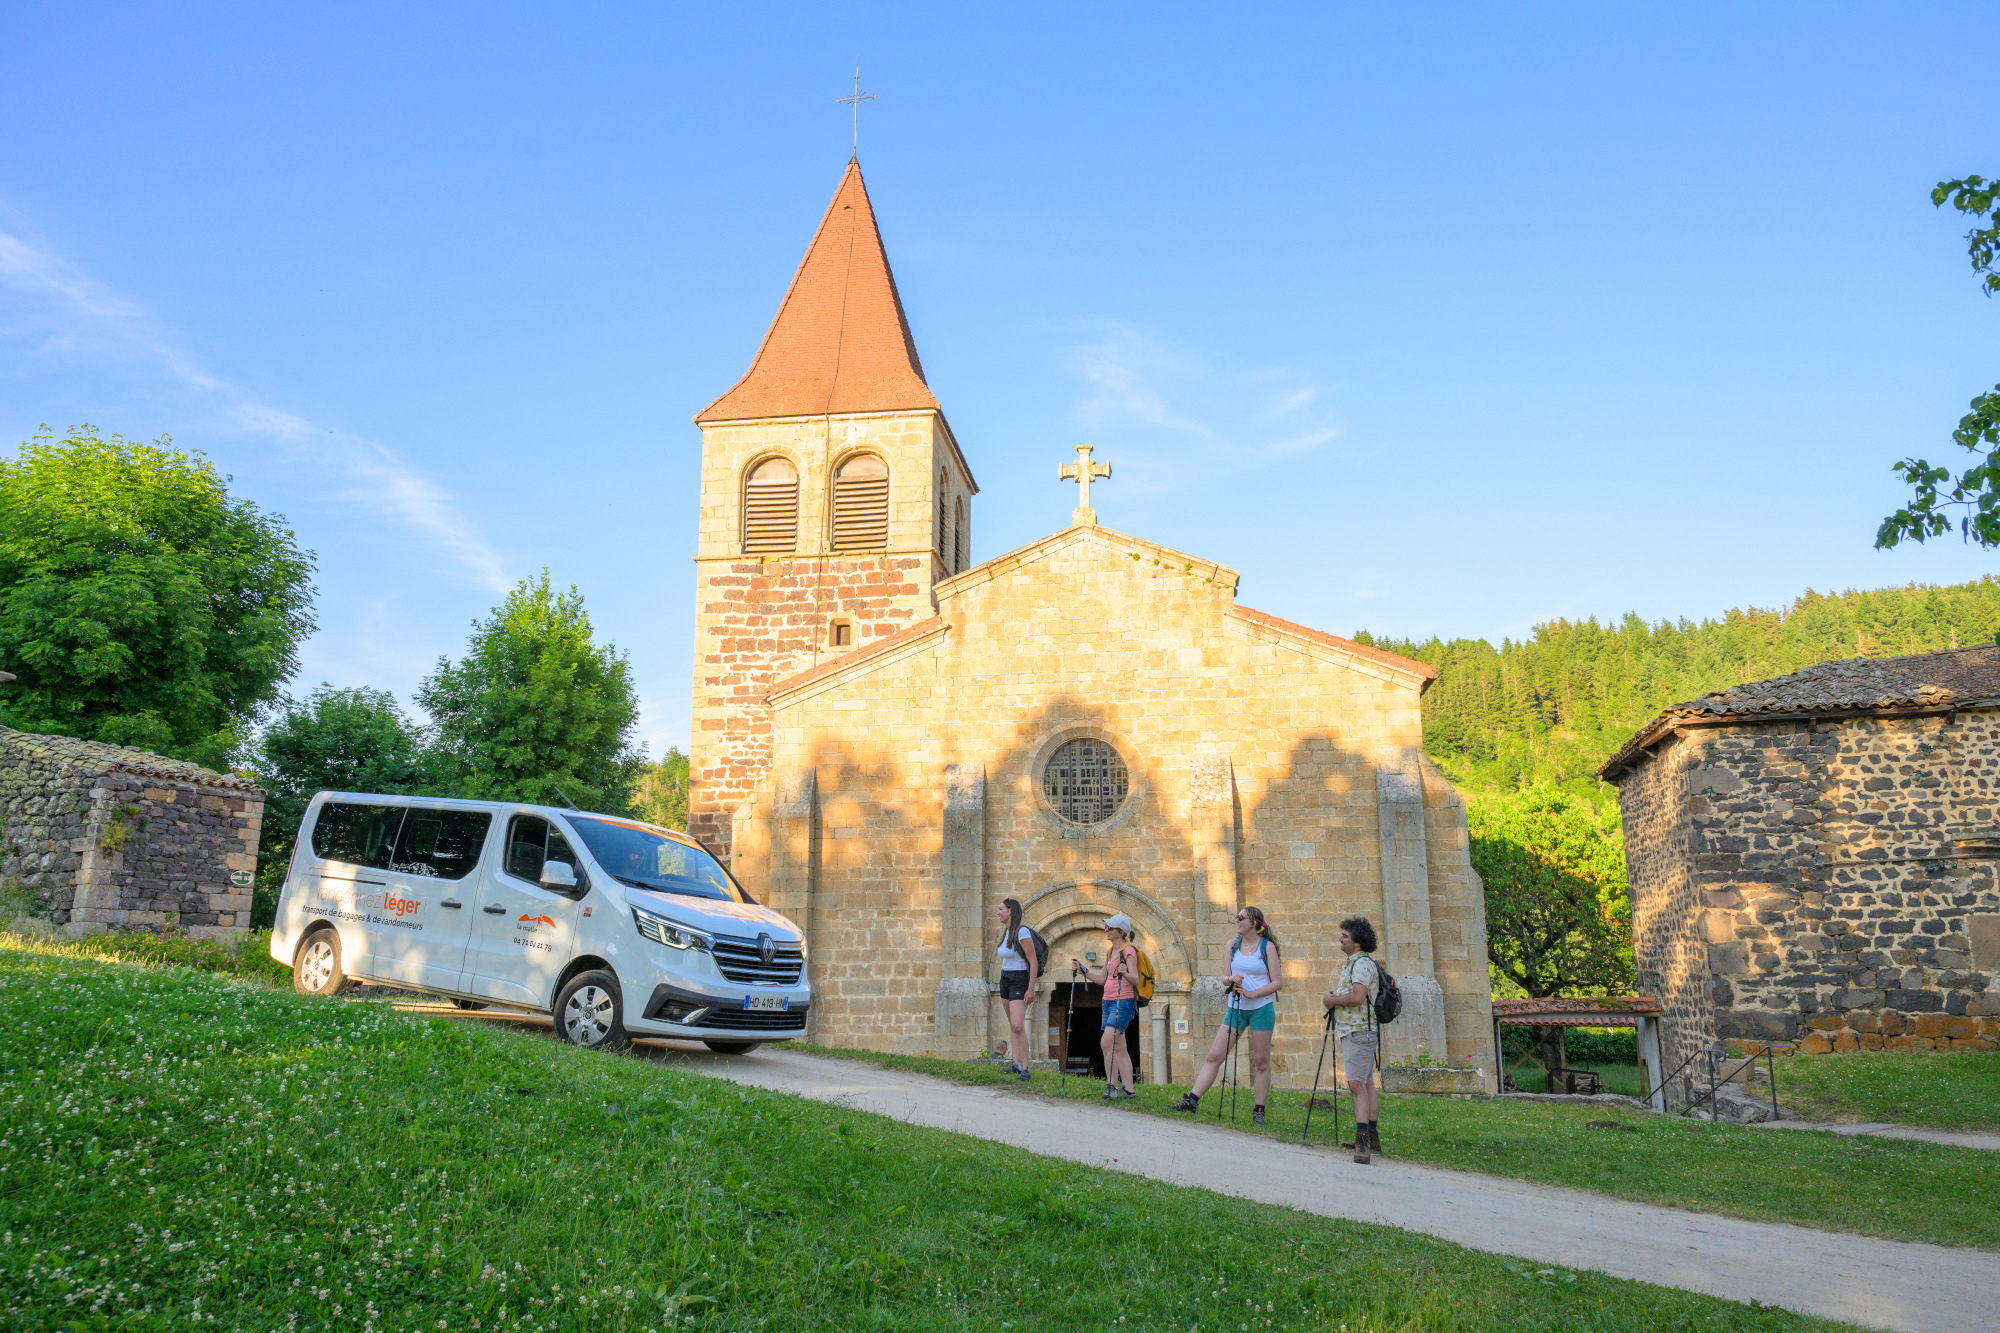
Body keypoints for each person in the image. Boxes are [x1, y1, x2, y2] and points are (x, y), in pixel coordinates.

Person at [1172, 906, 1284, 1125]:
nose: (1237, 920)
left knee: (1261, 1062)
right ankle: (1191, 1101)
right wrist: (1232, 978)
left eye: (1241, 917)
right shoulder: (1232, 945)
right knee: (1214, 1056)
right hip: (1236, 1008)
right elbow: (1224, 977)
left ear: (1253, 922)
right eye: (1237, 917)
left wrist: (1253, 993)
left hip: (1261, 1009)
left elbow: (1278, 982)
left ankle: (1259, 1110)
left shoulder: (1267, 947)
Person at [1322, 915, 1381, 1164]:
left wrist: (1332, 1001)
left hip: (1359, 1031)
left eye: (1344, 936)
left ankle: (1362, 1144)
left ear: (1356, 941)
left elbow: (1358, 997)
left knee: (1356, 1085)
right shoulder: (1355, 964)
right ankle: (1371, 1135)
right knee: (1366, 1082)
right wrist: (1337, 995)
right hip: (1357, 1030)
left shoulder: (1361, 965)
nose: (1340, 939)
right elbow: (1356, 994)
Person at [1070, 914, 1140, 1098]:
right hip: (1108, 1001)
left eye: (1110, 928)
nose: (1106, 930)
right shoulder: (1111, 952)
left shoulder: (1128, 951)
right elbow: (1102, 979)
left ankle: (1111, 1086)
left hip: (1122, 1001)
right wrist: (1082, 970)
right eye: (1106, 927)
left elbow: (1136, 979)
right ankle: (1128, 1090)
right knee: (1119, 1046)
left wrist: (1125, 974)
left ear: (1121, 932)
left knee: (1106, 1042)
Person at [993, 899, 1040, 1082]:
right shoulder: (1006, 932)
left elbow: (1033, 961)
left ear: (1010, 911)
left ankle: (1026, 1068)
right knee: (1013, 1024)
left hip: (1019, 980)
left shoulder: (1022, 932)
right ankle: (1015, 1064)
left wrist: (1031, 988)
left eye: (1000, 909)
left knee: (1019, 1025)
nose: (998, 913)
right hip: (1005, 978)